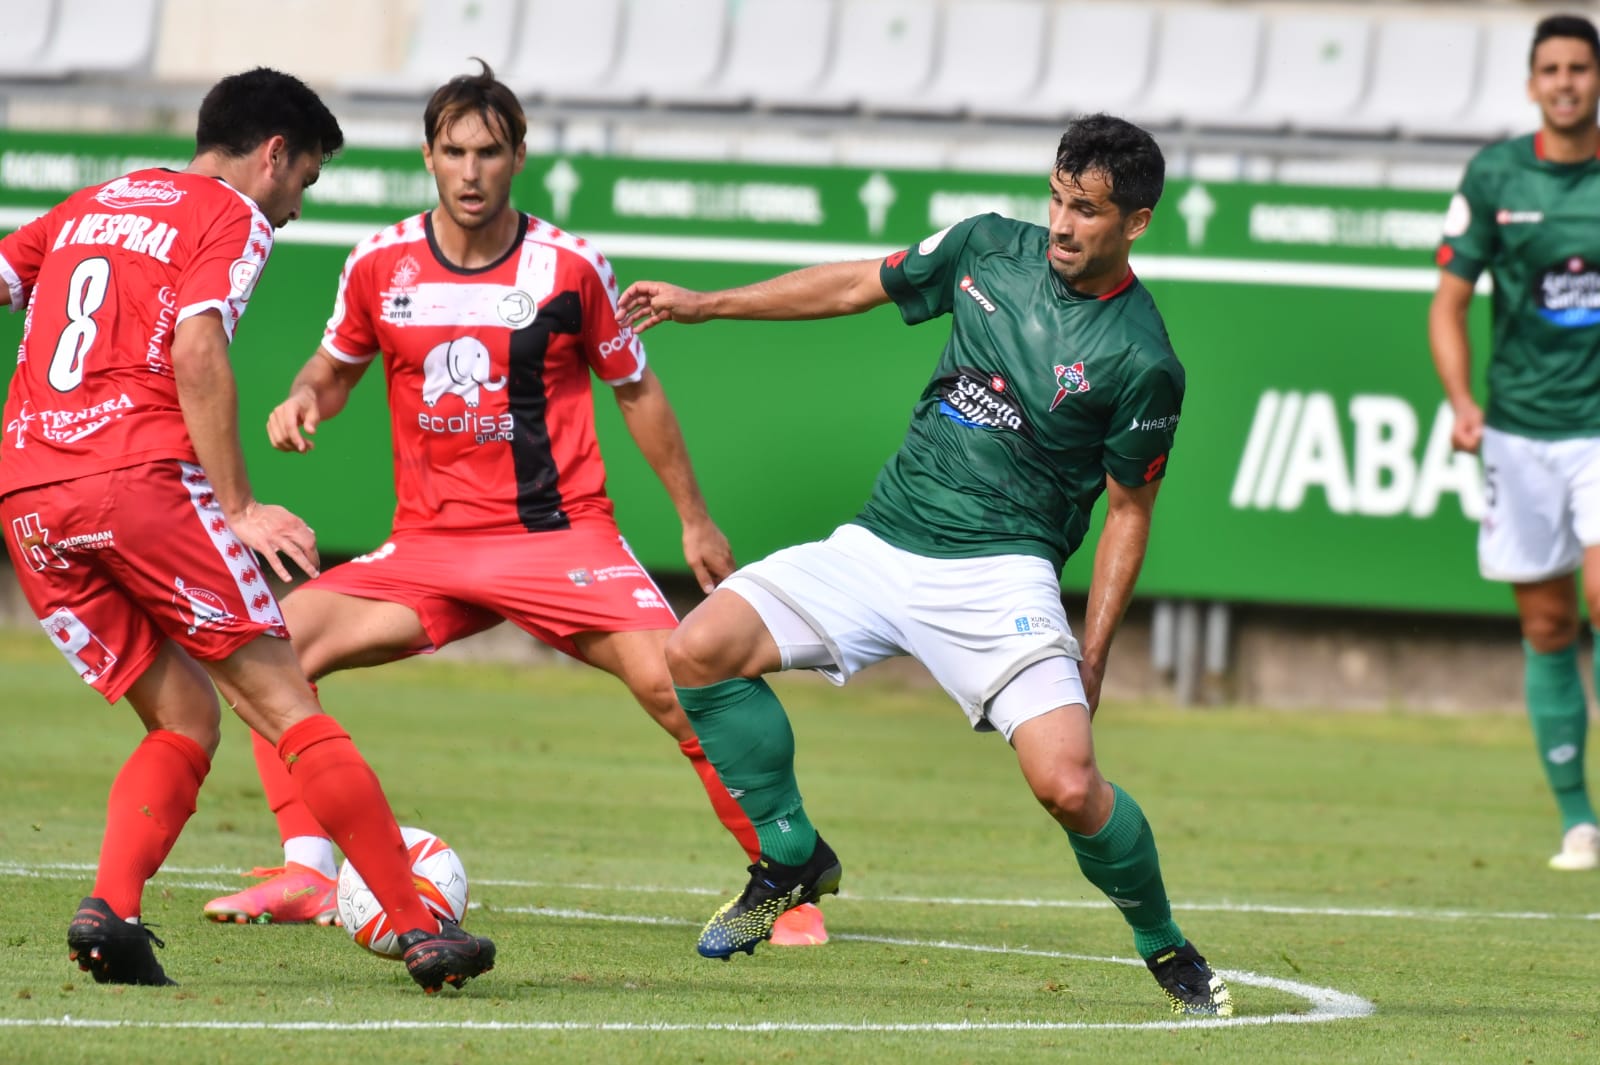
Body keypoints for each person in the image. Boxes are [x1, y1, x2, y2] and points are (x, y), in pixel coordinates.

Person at [198, 63, 828, 948]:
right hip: (428, 548)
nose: (469, 171)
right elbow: (333, 368)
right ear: (428, 156)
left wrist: (693, 517)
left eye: (488, 152)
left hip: (559, 540)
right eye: (452, 151)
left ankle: (785, 889)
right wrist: (304, 397)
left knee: (684, 681)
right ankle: (309, 868)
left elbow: (636, 391)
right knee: (268, 649)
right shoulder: (379, 263)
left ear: (517, 157)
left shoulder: (569, 266)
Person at [616, 113, 1231, 1017]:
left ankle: (1165, 944)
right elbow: (853, 285)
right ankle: (791, 855)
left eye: (1088, 211)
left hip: (1001, 576)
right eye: (1057, 198)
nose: (1061, 225)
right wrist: (708, 303)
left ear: (1135, 222)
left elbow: (1129, 514)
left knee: (1067, 783)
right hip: (879, 541)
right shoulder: (986, 246)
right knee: (696, 650)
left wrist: (1093, 651)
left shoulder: (1144, 359)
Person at [0, 69, 494, 993]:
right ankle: (421, 925)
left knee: (184, 715)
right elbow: (196, 344)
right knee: (285, 701)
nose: (297, 208)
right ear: (274, 155)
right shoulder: (230, 214)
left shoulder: (94, 202)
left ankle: (111, 910)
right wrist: (237, 505)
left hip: (29, 496)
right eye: (304, 180)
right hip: (137, 484)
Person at [1431, 13, 1600, 873]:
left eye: (1580, 67)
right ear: (1534, 84)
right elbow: (1449, 303)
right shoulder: (1496, 174)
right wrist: (1462, 401)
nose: (1567, 81)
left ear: (1596, 79)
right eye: (1552, 70)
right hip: (1520, 431)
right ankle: (1579, 818)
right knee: (1547, 621)